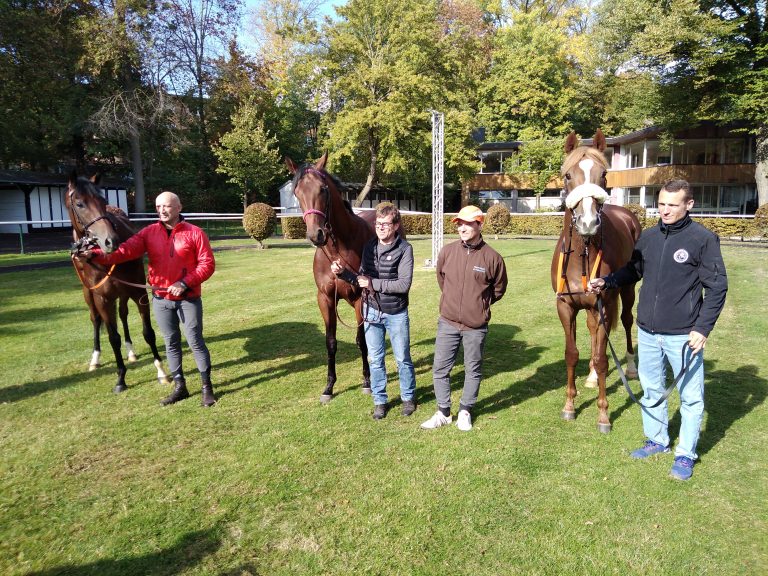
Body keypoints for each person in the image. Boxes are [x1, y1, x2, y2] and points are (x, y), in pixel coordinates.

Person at [588, 180, 727, 480]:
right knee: (651, 389)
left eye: (673, 205)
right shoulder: (649, 237)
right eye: (662, 204)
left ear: (689, 205)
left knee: (690, 397)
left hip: (684, 334)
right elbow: (634, 270)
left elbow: (717, 288)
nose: (665, 210)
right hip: (648, 332)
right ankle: (657, 440)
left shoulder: (703, 240)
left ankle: (686, 455)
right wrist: (607, 281)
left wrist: (702, 328)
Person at [85, 191, 217, 407]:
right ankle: (180, 387)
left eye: (167, 206)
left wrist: (184, 283)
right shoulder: (148, 233)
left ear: (178, 208)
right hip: (161, 300)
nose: (162, 211)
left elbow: (207, 264)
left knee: (195, 342)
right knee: (170, 343)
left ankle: (206, 389)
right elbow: (124, 252)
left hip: (188, 298)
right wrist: (96, 255)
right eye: (158, 207)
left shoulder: (195, 233)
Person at [420, 205, 508, 432]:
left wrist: (479, 306)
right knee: (440, 368)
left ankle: (465, 411)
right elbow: (442, 279)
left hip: (475, 327)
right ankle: (443, 412)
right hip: (448, 322)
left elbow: (498, 289)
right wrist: (452, 302)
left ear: (480, 224)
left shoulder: (493, 258)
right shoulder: (447, 252)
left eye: (468, 223)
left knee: (473, 370)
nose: (462, 227)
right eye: (460, 223)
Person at [331, 202, 416, 419]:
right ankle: (380, 400)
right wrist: (343, 274)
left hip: (396, 313)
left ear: (396, 225)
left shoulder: (405, 249)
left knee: (402, 358)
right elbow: (361, 280)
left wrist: (373, 284)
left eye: (385, 224)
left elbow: (403, 284)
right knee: (375, 360)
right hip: (371, 313)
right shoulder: (369, 247)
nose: (380, 228)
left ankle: (408, 397)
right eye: (378, 224)